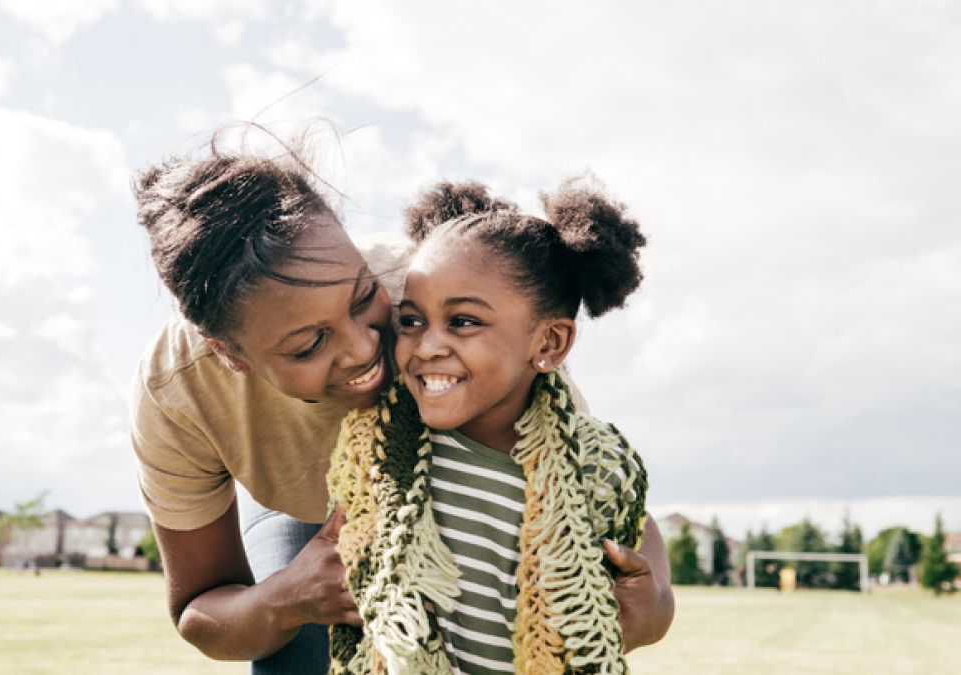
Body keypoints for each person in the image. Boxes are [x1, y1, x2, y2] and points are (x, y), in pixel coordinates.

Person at [129, 143, 673, 674]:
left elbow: (585, 484)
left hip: (435, 513)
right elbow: (200, 610)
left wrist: (655, 602)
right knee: (296, 652)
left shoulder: (437, 298)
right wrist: (287, 599)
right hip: (298, 513)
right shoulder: (178, 389)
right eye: (307, 345)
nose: (366, 349)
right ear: (230, 354)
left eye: (364, 298)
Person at [327, 180, 662, 674]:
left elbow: (638, 535)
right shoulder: (378, 453)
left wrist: (658, 603)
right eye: (413, 320)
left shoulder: (590, 461)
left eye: (462, 322)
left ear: (549, 342)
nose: (426, 346)